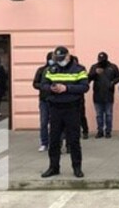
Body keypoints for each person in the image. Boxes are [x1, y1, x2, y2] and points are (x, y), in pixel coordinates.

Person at [41, 46, 89, 179]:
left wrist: (66, 88)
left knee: (74, 140)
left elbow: (84, 86)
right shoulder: (51, 69)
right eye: (58, 59)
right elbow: (42, 85)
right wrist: (51, 88)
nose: (60, 61)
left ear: (68, 56)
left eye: (62, 58)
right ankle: (53, 167)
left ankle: (77, 168)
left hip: (72, 108)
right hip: (55, 108)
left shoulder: (79, 69)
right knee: (54, 140)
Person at [88, 52, 119, 139]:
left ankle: (108, 131)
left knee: (109, 114)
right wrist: (95, 73)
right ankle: (100, 131)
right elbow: (88, 79)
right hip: (97, 95)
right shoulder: (94, 67)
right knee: (99, 115)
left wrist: (113, 82)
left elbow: (118, 77)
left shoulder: (113, 67)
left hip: (109, 94)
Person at [33, 52, 54, 152]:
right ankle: (44, 143)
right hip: (44, 99)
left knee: (55, 123)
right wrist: (44, 86)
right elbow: (35, 84)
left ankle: (55, 142)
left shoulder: (58, 70)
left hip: (55, 100)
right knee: (44, 122)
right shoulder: (41, 70)